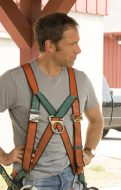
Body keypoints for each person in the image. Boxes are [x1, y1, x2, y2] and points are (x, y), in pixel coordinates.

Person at [0, 12, 104, 190]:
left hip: (73, 180)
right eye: (72, 44)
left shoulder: (81, 80)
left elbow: (97, 120)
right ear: (50, 45)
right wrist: (3, 157)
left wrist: (89, 152)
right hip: (32, 182)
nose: (78, 49)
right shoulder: (14, 80)